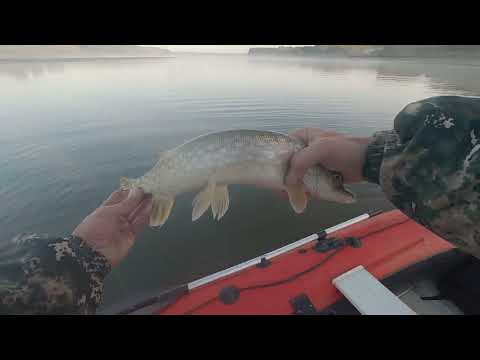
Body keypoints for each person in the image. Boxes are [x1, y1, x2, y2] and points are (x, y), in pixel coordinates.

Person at [1, 95, 479, 315]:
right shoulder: (302, 177)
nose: (341, 191)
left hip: (84, 256)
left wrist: (84, 255)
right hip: (177, 176)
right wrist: (374, 158)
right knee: (177, 188)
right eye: (332, 182)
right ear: (308, 173)